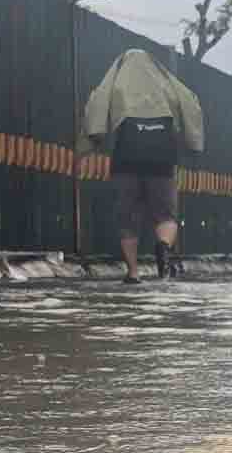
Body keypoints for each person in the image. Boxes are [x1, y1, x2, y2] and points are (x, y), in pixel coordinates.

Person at [81, 48, 203, 283]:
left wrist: (93, 137)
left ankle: (134, 273)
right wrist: (193, 142)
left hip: (127, 154)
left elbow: (96, 104)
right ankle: (164, 248)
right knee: (166, 215)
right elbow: (191, 104)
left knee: (127, 219)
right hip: (162, 156)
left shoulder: (116, 84)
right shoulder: (167, 84)